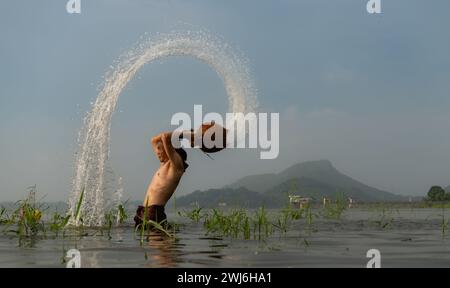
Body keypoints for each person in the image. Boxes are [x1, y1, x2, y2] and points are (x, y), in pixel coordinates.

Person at [134, 132, 188, 228]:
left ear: (169, 151)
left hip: (154, 211)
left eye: (160, 148)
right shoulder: (164, 165)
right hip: (143, 211)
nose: (157, 152)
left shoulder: (176, 167)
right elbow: (154, 140)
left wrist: (186, 134)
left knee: (157, 241)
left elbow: (165, 137)